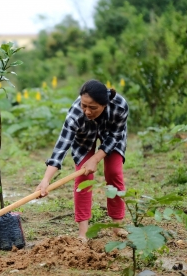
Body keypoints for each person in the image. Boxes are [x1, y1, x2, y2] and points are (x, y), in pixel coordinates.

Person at [36, 79, 129, 242]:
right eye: (83, 105)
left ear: (104, 105)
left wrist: (97, 158)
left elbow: (115, 136)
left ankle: (117, 225)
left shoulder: (120, 107)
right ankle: (83, 233)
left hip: (112, 136)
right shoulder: (75, 115)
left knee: (113, 172)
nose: (87, 111)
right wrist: (45, 180)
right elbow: (61, 147)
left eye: (92, 108)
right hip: (84, 138)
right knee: (83, 177)